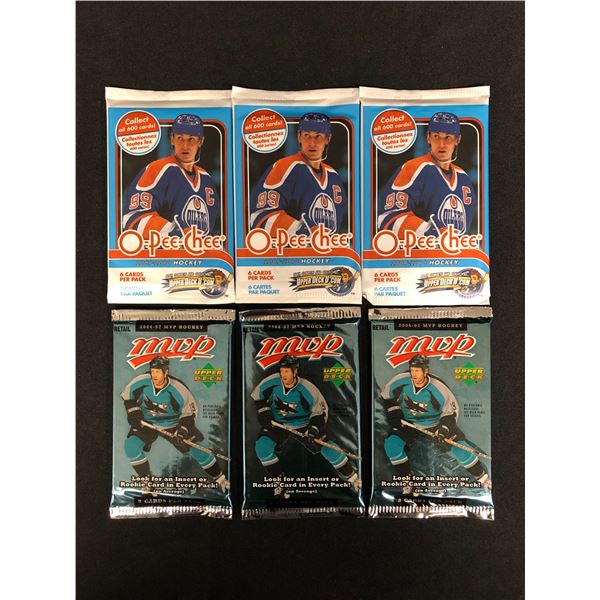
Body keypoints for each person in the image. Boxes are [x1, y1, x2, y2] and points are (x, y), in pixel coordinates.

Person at [251, 355, 361, 497]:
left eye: (287, 371)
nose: (283, 375)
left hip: (304, 424)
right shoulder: (271, 382)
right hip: (278, 424)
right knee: (262, 446)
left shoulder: (307, 389)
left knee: (328, 447)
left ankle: (353, 478)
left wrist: (313, 430)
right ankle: (280, 483)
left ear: (295, 371)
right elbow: (259, 398)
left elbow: (319, 414)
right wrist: (264, 412)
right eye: (282, 371)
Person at [381, 354, 491, 492]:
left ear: (426, 371)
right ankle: (408, 482)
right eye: (412, 370)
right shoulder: (400, 381)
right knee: (391, 445)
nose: (413, 374)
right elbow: (386, 397)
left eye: (417, 371)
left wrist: (443, 430)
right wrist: (394, 411)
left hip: (435, 424)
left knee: (460, 449)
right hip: (409, 423)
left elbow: (450, 413)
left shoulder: (438, 388)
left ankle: (484, 480)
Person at [121, 356, 229, 492]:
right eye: (152, 371)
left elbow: (189, 414)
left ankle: (220, 479)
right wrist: (133, 412)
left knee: (199, 450)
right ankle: (147, 482)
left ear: (166, 372)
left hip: (174, 424)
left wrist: (182, 430)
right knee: (130, 446)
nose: (154, 375)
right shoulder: (141, 381)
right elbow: (128, 396)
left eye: (158, 372)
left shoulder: (178, 389)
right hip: (147, 423)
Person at [377, 112, 477, 240]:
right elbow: (387, 217)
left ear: (457, 140)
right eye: (436, 136)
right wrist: (429, 233)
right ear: (428, 138)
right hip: (420, 251)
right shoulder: (414, 168)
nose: (441, 144)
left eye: (447, 137)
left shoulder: (464, 179)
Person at [122, 114, 220, 239]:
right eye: (180, 138)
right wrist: (175, 233)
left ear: (200, 141)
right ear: (172, 139)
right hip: (165, 250)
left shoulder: (206, 178)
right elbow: (133, 217)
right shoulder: (158, 169)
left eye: (191, 139)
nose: (185, 146)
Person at [249, 113, 348, 236]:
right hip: (291, 247)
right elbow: (260, 216)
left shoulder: (334, 177)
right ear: (299, 137)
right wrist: (301, 231)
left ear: (328, 139)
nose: (312, 143)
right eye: (306, 135)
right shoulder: (285, 167)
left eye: (318, 136)